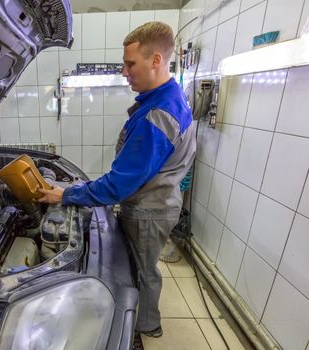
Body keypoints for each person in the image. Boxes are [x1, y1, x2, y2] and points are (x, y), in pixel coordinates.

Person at [37, 21, 196, 338]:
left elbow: (121, 183)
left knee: (142, 271)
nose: (124, 71)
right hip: (157, 202)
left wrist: (66, 195)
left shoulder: (158, 114)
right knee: (140, 267)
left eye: (130, 63)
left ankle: (145, 326)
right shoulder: (166, 100)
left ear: (155, 61)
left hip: (149, 209)